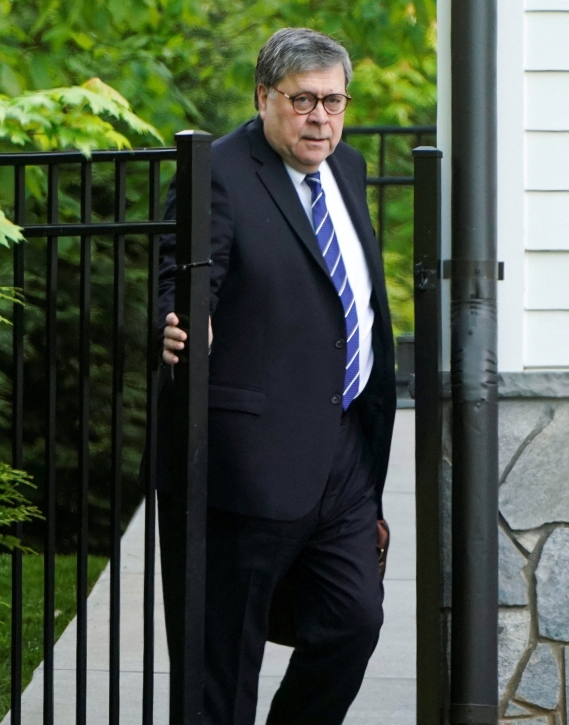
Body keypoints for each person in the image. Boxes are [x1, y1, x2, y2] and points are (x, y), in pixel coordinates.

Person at [155, 28, 397, 725]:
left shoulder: (345, 168)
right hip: (247, 460)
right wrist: (181, 318)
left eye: (334, 100)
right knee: (223, 666)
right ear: (265, 96)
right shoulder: (222, 171)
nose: (321, 117)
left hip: (344, 452)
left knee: (353, 622)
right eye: (304, 101)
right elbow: (186, 269)